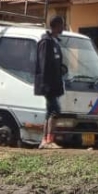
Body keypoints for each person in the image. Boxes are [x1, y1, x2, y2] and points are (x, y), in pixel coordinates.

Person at [34, 15, 67, 149]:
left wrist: (62, 69)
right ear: (56, 26)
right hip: (48, 85)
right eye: (62, 25)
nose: (63, 27)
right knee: (55, 110)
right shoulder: (45, 42)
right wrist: (46, 85)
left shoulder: (55, 42)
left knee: (50, 111)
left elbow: (55, 63)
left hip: (55, 84)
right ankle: (48, 140)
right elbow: (44, 65)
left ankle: (45, 141)